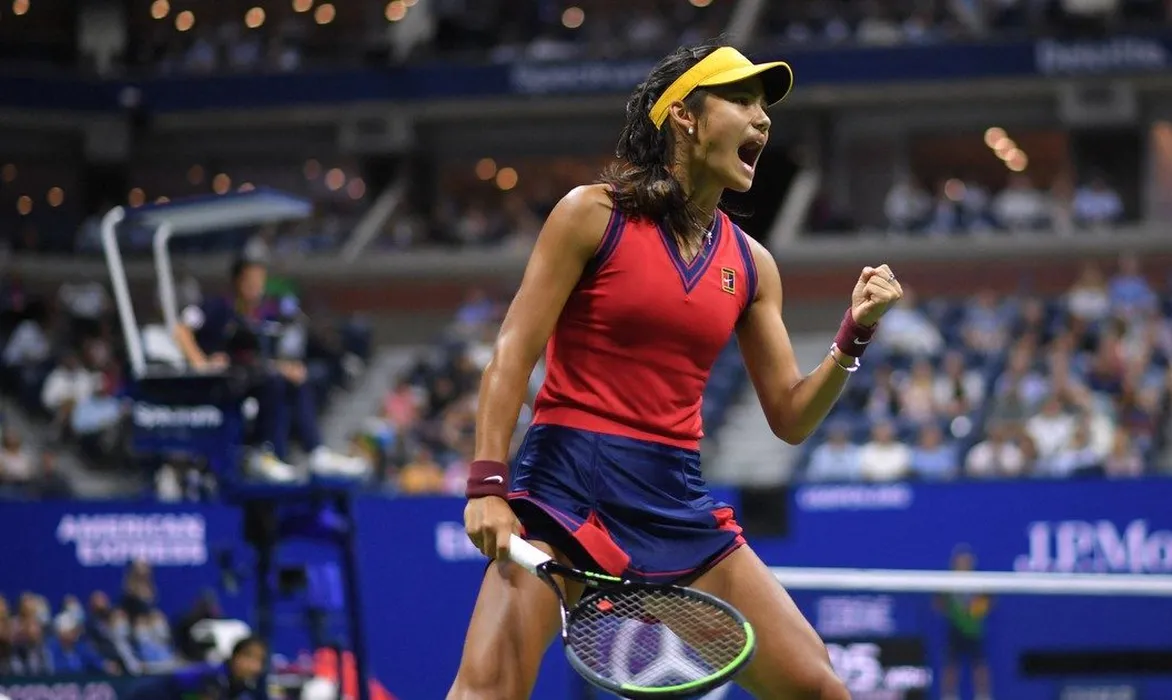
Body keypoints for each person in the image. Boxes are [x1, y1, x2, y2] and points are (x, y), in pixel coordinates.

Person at [451, 40, 902, 700]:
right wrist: (488, 483)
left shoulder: (752, 265)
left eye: (764, 107)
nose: (762, 118)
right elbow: (512, 353)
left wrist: (852, 334)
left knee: (820, 691)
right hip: (565, 491)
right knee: (486, 689)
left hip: (672, 499)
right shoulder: (590, 214)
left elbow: (790, 416)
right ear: (684, 116)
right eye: (740, 99)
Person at [173, 257, 366, 481]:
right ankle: (263, 452)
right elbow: (181, 330)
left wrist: (285, 367)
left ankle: (315, 452)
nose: (256, 286)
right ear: (238, 281)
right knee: (273, 382)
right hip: (221, 384)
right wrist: (201, 362)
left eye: (260, 281)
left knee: (295, 379)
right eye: (251, 280)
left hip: (251, 377)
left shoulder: (262, 316)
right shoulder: (216, 307)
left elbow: (257, 359)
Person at [127, 635, 270, 700]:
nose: (254, 665)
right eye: (249, 656)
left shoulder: (240, 686)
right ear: (235, 656)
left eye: (259, 660)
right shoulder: (214, 677)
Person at [935, 546, 992, 700]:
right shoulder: (946, 582)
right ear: (954, 563)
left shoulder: (981, 582)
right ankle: (949, 696)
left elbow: (988, 602)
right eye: (961, 561)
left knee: (979, 665)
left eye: (967, 561)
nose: (964, 564)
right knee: (951, 666)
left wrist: (973, 612)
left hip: (974, 630)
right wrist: (953, 611)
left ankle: (983, 696)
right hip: (954, 629)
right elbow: (938, 603)